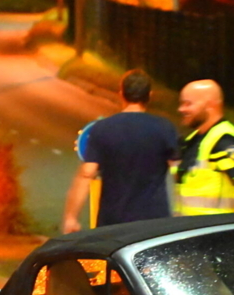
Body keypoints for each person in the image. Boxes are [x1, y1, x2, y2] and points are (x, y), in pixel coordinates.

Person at [62, 69, 178, 233]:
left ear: (121, 94)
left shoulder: (102, 129)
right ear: (149, 95)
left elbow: (87, 174)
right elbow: (178, 172)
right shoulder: (164, 128)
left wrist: (71, 218)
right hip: (154, 221)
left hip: (113, 221)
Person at [175, 79, 234, 215]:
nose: (181, 109)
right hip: (193, 226)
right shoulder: (193, 139)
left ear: (210, 105)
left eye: (188, 103)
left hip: (215, 228)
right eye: (181, 104)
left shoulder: (224, 139)